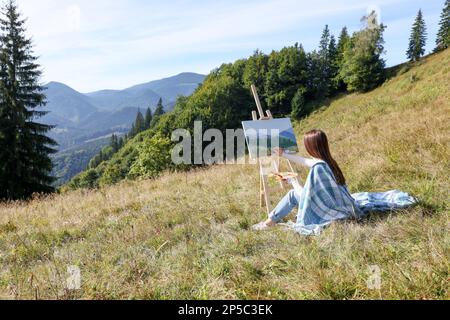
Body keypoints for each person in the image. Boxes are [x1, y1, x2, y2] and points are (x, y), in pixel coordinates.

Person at [252, 130, 416, 235]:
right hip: (344, 204)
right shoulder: (327, 161)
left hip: (333, 210)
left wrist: (293, 181)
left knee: (292, 195)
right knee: (294, 193)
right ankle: (270, 221)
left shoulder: (319, 169)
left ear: (311, 147)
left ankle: (268, 224)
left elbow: (307, 196)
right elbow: (307, 162)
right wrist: (285, 155)